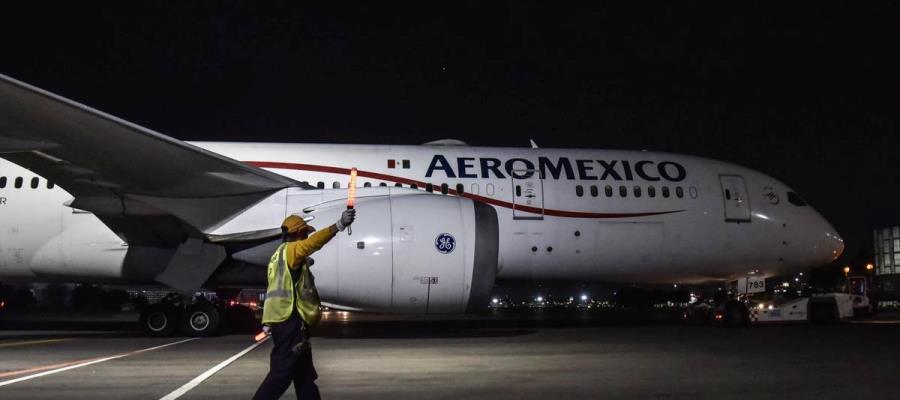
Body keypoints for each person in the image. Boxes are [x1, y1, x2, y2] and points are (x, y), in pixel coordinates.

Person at [253, 209, 355, 400]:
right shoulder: (292, 250)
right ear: (298, 233)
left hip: (282, 319)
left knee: (304, 377)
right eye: (305, 232)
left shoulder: (277, 256)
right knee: (281, 375)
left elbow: (277, 287)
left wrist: (269, 322)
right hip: (290, 321)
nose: (307, 235)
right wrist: (338, 225)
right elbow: (312, 243)